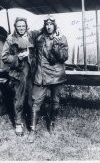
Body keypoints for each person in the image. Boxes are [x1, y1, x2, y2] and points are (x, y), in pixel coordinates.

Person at [28, 14, 68, 143]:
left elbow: (63, 57)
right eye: (47, 24)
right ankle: (32, 130)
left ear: (55, 25)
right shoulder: (39, 37)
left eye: (51, 24)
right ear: (44, 25)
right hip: (41, 74)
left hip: (56, 75)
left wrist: (56, 42)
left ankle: (51, 123)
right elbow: (26, 35)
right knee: (36, 101)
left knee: (55, 101)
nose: (49, 26)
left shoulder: (61, 38)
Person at [2, 17, 39, 136]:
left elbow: (43, 32)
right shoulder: (10, 38)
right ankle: (18, 123)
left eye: (23, 26)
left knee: (30, 99)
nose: (21, 28)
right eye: (19, 26)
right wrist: (17, 58)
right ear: (15, 27)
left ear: (26, 26)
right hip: (18, 73)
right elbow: (4, 57)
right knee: (19, 99)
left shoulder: (31, 36)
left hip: (31, 73)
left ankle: (30, 121)